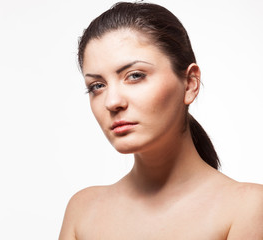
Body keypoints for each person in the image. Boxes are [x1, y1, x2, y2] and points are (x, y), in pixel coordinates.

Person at [59, 2, 263, 239]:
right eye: (97, 86)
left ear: (190, 83)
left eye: (135, 76)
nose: (112, 102)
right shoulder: (83, 210)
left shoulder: (247, 208)